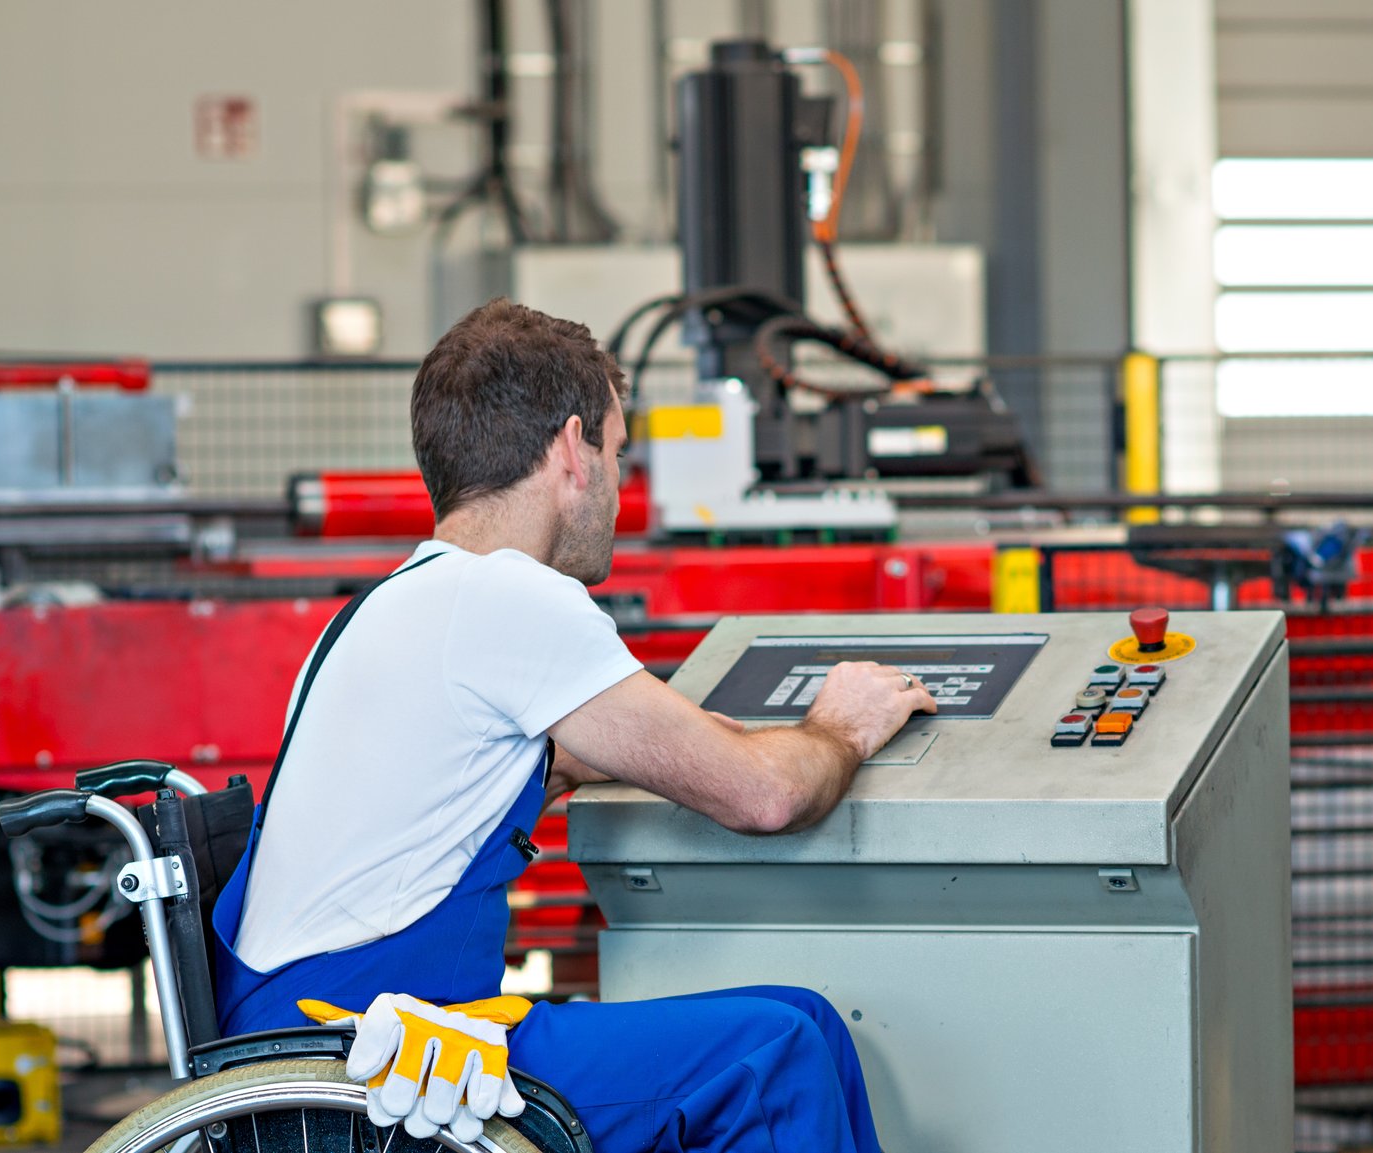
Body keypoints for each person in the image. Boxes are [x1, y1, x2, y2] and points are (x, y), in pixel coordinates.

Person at [208, 299, 935, 1153]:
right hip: (370, 1065)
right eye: (620, 454)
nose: (623, 488)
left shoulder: (391, 606)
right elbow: (767, 795)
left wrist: (566, 763)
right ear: (571, 447)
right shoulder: (507, 594)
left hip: (333, 1044)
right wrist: (841, 728)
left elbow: (460, 783)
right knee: (775, 1054)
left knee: (802, 1015)